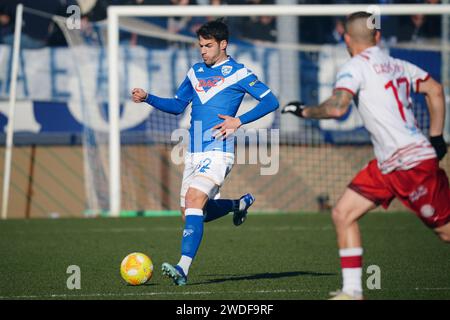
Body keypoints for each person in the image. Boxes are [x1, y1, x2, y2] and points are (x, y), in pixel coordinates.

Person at [282, 11, 449, 300]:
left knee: (446, 232)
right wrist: (437, 137)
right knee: (343, 213)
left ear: (347, 38)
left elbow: (337, 109)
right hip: (388, 164)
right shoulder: (396, 63)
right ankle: (353, 292)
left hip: (410, 164)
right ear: (378, 36)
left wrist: (304, 111)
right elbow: (435, 90)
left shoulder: (354, 67)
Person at [132, 20, 279, 286]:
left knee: (194, 198)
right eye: (200, 45)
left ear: (223, 44)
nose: (203, 51)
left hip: (219, 150)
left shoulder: (239, 72)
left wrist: (239, 121)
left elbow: (271, 101)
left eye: (208, 45)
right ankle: (238, 204)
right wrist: (148, 98)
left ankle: (182, 269)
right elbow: (178, 106)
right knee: (191, 210)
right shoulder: (195, 71)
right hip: (193, 153)